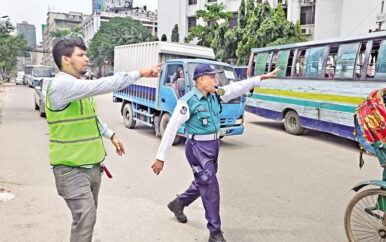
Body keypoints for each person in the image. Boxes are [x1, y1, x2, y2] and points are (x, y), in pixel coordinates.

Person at [47, 39, 161, 242]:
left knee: (87, 219)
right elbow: (103, 85)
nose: (86, 58)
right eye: (80, 55)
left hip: (91, 166)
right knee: (86, 217)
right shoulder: (61, 85)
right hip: (70, 169)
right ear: (66, 59)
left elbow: (90, 117)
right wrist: (140, 74)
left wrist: (111, 134)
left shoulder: (79, 87)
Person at [151, 64, 279, 242]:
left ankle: (178, 203)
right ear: (201, 79)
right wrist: (160, 158)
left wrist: (259, 79)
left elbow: (235, 88)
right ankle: (215, 232)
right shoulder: (187, 102)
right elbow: (171, 129)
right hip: (197, 149)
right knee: (210, 186)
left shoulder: (215, 95)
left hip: (213, 146)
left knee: (203, 181)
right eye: (212, 76)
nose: (216, 80)